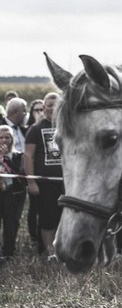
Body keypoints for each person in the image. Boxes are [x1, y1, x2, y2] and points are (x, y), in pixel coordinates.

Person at [24, 92, 64, 260]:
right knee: (47, 218)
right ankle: (49, 252)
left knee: (64, 218)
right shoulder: (35, 129)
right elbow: (28, 156)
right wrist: (31, 182)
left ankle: (63, 251)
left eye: (56, 105)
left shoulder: (67, 127)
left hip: (66, 182)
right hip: (45, 182)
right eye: (49, 105)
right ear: (44, 107)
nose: (52, 109)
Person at [0, 125, 26, 258]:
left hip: (13, 194)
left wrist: (6, 158)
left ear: (12, 139)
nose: (4, 140)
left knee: (11, 223)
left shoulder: (18, 156)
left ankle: (9, 252)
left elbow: (20, 174)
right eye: (1, 137)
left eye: (7, 137)